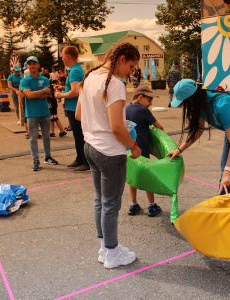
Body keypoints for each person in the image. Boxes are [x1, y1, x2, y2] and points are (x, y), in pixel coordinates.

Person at [75, 42, 141, 269]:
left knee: (100, 199)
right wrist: (134, 146)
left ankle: (105, 248)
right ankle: (113, 254)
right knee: (111, 203)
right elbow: (116, 127)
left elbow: (78, 114)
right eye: (131, 66)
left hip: (90, 146)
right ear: (121, 58)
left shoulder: (89, 77)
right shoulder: (114, 84)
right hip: (110, 151)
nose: (131, 72)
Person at [166, 79, 230, 194]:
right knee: (224, 178)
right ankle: (223, 210)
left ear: (190, 99)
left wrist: (228, 170)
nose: (182, 107)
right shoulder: (199, 105)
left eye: (182, 103)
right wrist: (179, 150)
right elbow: (197, 132)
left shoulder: (222, 105)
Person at [125, 86, 164, 217]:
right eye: (149, 100)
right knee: (147, 177)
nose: (151, 104)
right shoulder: (143, 110)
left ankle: (133, 204)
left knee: (133, 176)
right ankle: (152, 205)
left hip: (130, 148)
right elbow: (160, 126)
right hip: (141, 148)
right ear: (140, 97)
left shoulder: (126, 108)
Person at [20, 56, 58, 171]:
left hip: (45, 112)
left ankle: (47, 156)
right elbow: (29, 95)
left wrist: (34, 94)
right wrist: (42, 91)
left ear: (38, 65)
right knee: (33, 138)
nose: (32, 66)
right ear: (27, 66)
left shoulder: (45, 79)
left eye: (34, 63)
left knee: (46, 137)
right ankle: (36, 160)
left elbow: (48, 95)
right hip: (31, 114)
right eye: (30, 64)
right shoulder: (25, 80)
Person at [54, 46, 89, 172]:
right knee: (77, 135)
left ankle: (85, 161)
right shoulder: (76, 69)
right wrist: (64, 88)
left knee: (79, 135)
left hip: (74, 108)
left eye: (63, 55)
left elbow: (75, 91)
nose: (62, 58)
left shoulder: (74, 71)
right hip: (74, 107)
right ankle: (80, 158)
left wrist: (61, 94)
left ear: (68, 56)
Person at [42, 73, 67, 137]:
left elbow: (50, 93)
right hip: (52, 102)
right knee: (52, 118)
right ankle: (52, 132)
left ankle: (62, 130)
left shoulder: (47, 84)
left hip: (51, 103)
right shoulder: (49, 83)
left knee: (54, 117)